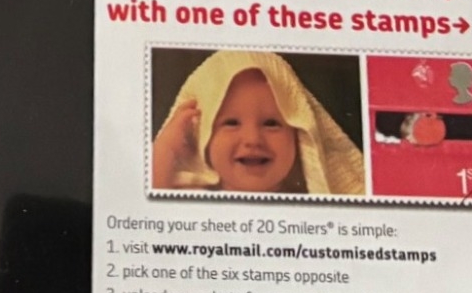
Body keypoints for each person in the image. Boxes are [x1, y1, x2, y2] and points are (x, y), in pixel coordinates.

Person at [148, 50, 368, 196]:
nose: (253, 139)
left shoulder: (310, 203)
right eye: (231, 123)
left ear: (300, 136)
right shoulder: (192, 199)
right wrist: (165, 150)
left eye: (271, 123)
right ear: (202, 135)